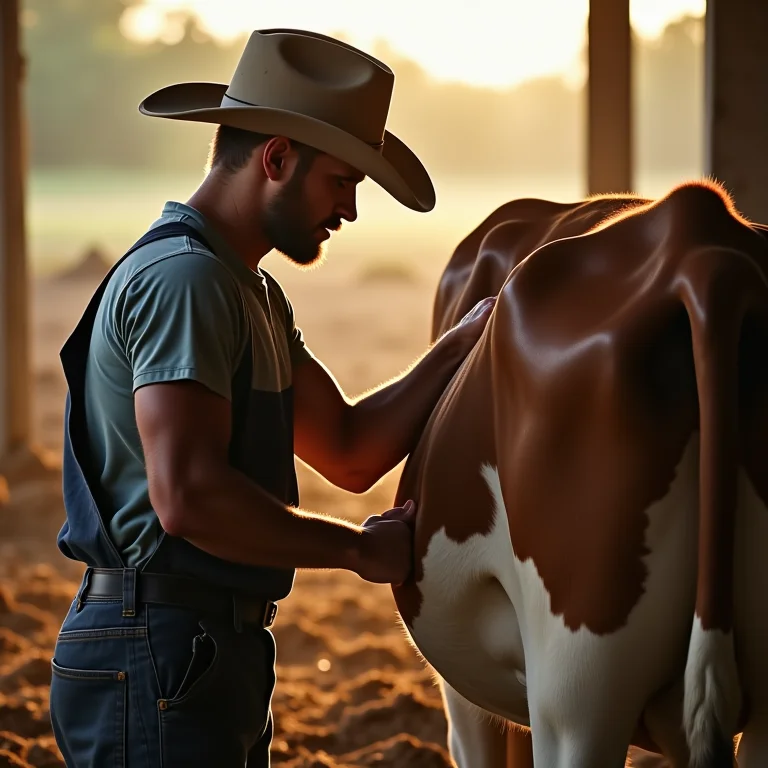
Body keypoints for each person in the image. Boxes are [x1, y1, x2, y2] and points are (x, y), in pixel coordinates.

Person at [48, 27, 495, 767]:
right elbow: (188, 498)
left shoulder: (247, 290)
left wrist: (461, 345)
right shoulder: (185, 282)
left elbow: (350, 450)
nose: (350, 211)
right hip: (157, 645)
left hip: (201, 647)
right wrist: (354, 549)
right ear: (277, 158)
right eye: (342, 181)